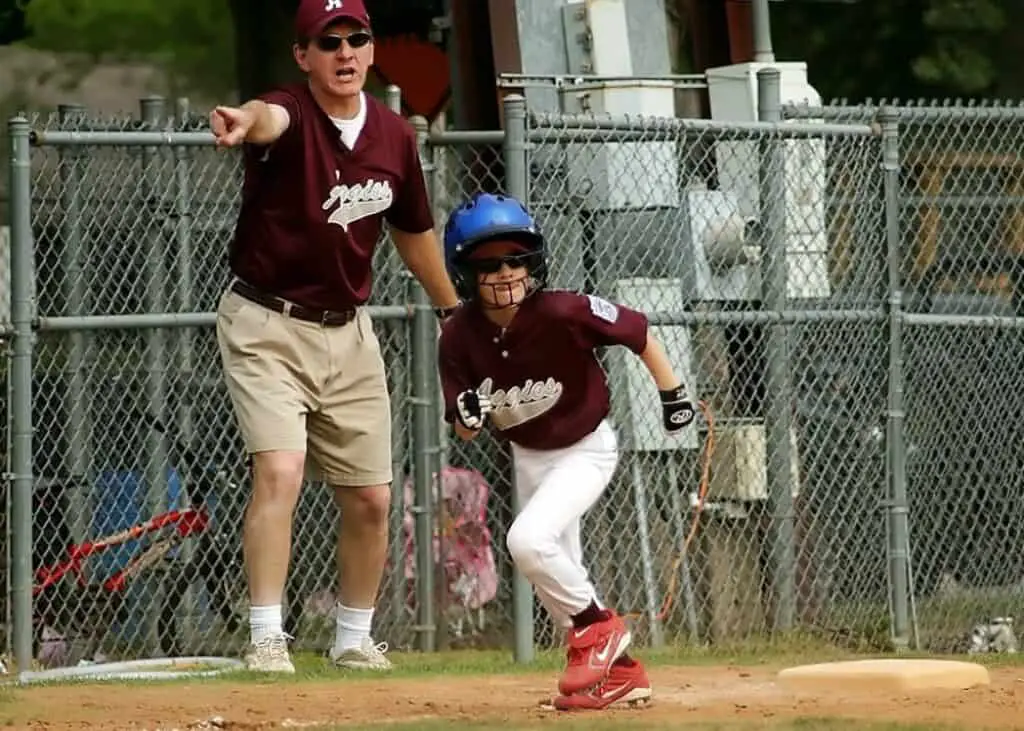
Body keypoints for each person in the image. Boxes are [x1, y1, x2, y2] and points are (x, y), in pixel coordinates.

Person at [208, 0, 461, 673]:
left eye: (357, 39)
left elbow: (413, 233)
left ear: (372, 50)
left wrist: (451, 313)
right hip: (266, 322)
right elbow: (269, 116)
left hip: (348, 331)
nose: (344, 53)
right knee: (281, 470)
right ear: (303, 57)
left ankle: (352, 636)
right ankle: (266, 635)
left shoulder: (394, 136)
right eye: (328, 43)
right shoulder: (288, 113)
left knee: (373, 497)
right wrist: (243, 120)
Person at [436, 192, 696, 710]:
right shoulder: (459, 337)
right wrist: (467, 416)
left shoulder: (561, 309)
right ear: (465, 274)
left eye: (517, 259)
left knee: (527, 542)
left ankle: (602, 629)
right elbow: (464, 430)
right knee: (558, 577)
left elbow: (638, 331)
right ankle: (623, 675)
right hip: (529, 456)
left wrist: (674, 396)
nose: (507, 271)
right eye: (489, 264)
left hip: (587, 448)